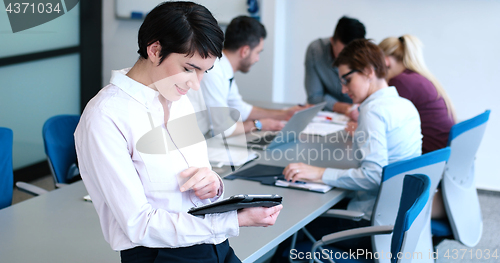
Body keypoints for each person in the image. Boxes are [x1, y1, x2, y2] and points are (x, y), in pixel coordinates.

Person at [74, 2, 282, 263]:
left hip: (214, 245)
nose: (196, 85)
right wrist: (234, 219)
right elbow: (139, 225)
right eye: (189, 68)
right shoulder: (105, 116)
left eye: (204, 72)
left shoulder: (178, 98)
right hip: (160, 255)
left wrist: (213, 185)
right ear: (155, 50)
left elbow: (197, 178)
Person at [282, 39, 422, 252]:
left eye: (347, 80)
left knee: (291, 229)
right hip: (400, 221)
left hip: (369, 225)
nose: (343, 89)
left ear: (368, 71)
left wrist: (319, 172)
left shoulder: (372, 111)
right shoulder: (406, 106)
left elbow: (374, 175)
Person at [189, 16, 304, 137]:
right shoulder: (213, 72)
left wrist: (284, 114)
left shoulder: (224, 70)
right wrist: (258, 124)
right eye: (258, 52)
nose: (257, 59)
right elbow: (224, 128)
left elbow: (240, 109)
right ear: (245, 51)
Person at [379, 34, 456, 154]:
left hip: (426, 158)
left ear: (386, 62)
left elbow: (384, 127)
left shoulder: (400, 82)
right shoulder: (417, 78)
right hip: (439, 155)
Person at [304, 16, 366, 118]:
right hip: (327, 116)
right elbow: (314, 97)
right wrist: (346, 108)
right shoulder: (316, 51)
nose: (347, 58)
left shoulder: (369, 57)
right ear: (332, 41)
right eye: (342, 53)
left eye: (352, 54)